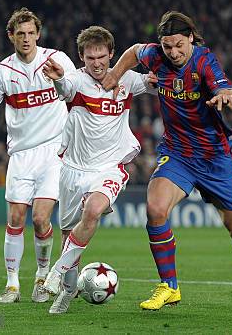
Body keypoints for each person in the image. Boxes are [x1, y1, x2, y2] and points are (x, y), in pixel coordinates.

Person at [101, 11, 232, 314]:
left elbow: (229, 94)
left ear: (191, 38)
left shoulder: (204, 61)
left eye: (179, 45)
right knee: (155, 209)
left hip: (214, 158)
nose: (174, 52)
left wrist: (226, 99)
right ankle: (169, 286)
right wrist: (114, 76)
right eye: (168, 46)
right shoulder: (155, 56)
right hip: (178, 154)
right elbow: (132, 52)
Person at [0, 7, 76, 304]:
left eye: (31, 33)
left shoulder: (57, 60)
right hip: (21, 155)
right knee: (16, 217)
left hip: (53, 152)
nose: (26, 38)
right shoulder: (3, 73)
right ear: (11, 36)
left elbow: (78, 93)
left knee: (40, 217)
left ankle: (41, 276)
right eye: (20, 33)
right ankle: (12, 285)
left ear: (38, 34)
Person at [40, 26, 157, 314]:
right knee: (69, 235)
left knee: (92, 212)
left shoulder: (126, 79)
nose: (97, 63)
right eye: (90, 57)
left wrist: (159, 76)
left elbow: (153, 80)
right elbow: (64, 88)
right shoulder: (75, 81)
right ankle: (67, 291)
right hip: (72, 170)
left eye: (102, 56)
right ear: (82, 57)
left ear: (112, 54)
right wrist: (57, 80)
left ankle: (55, 272)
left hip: (109, 168)